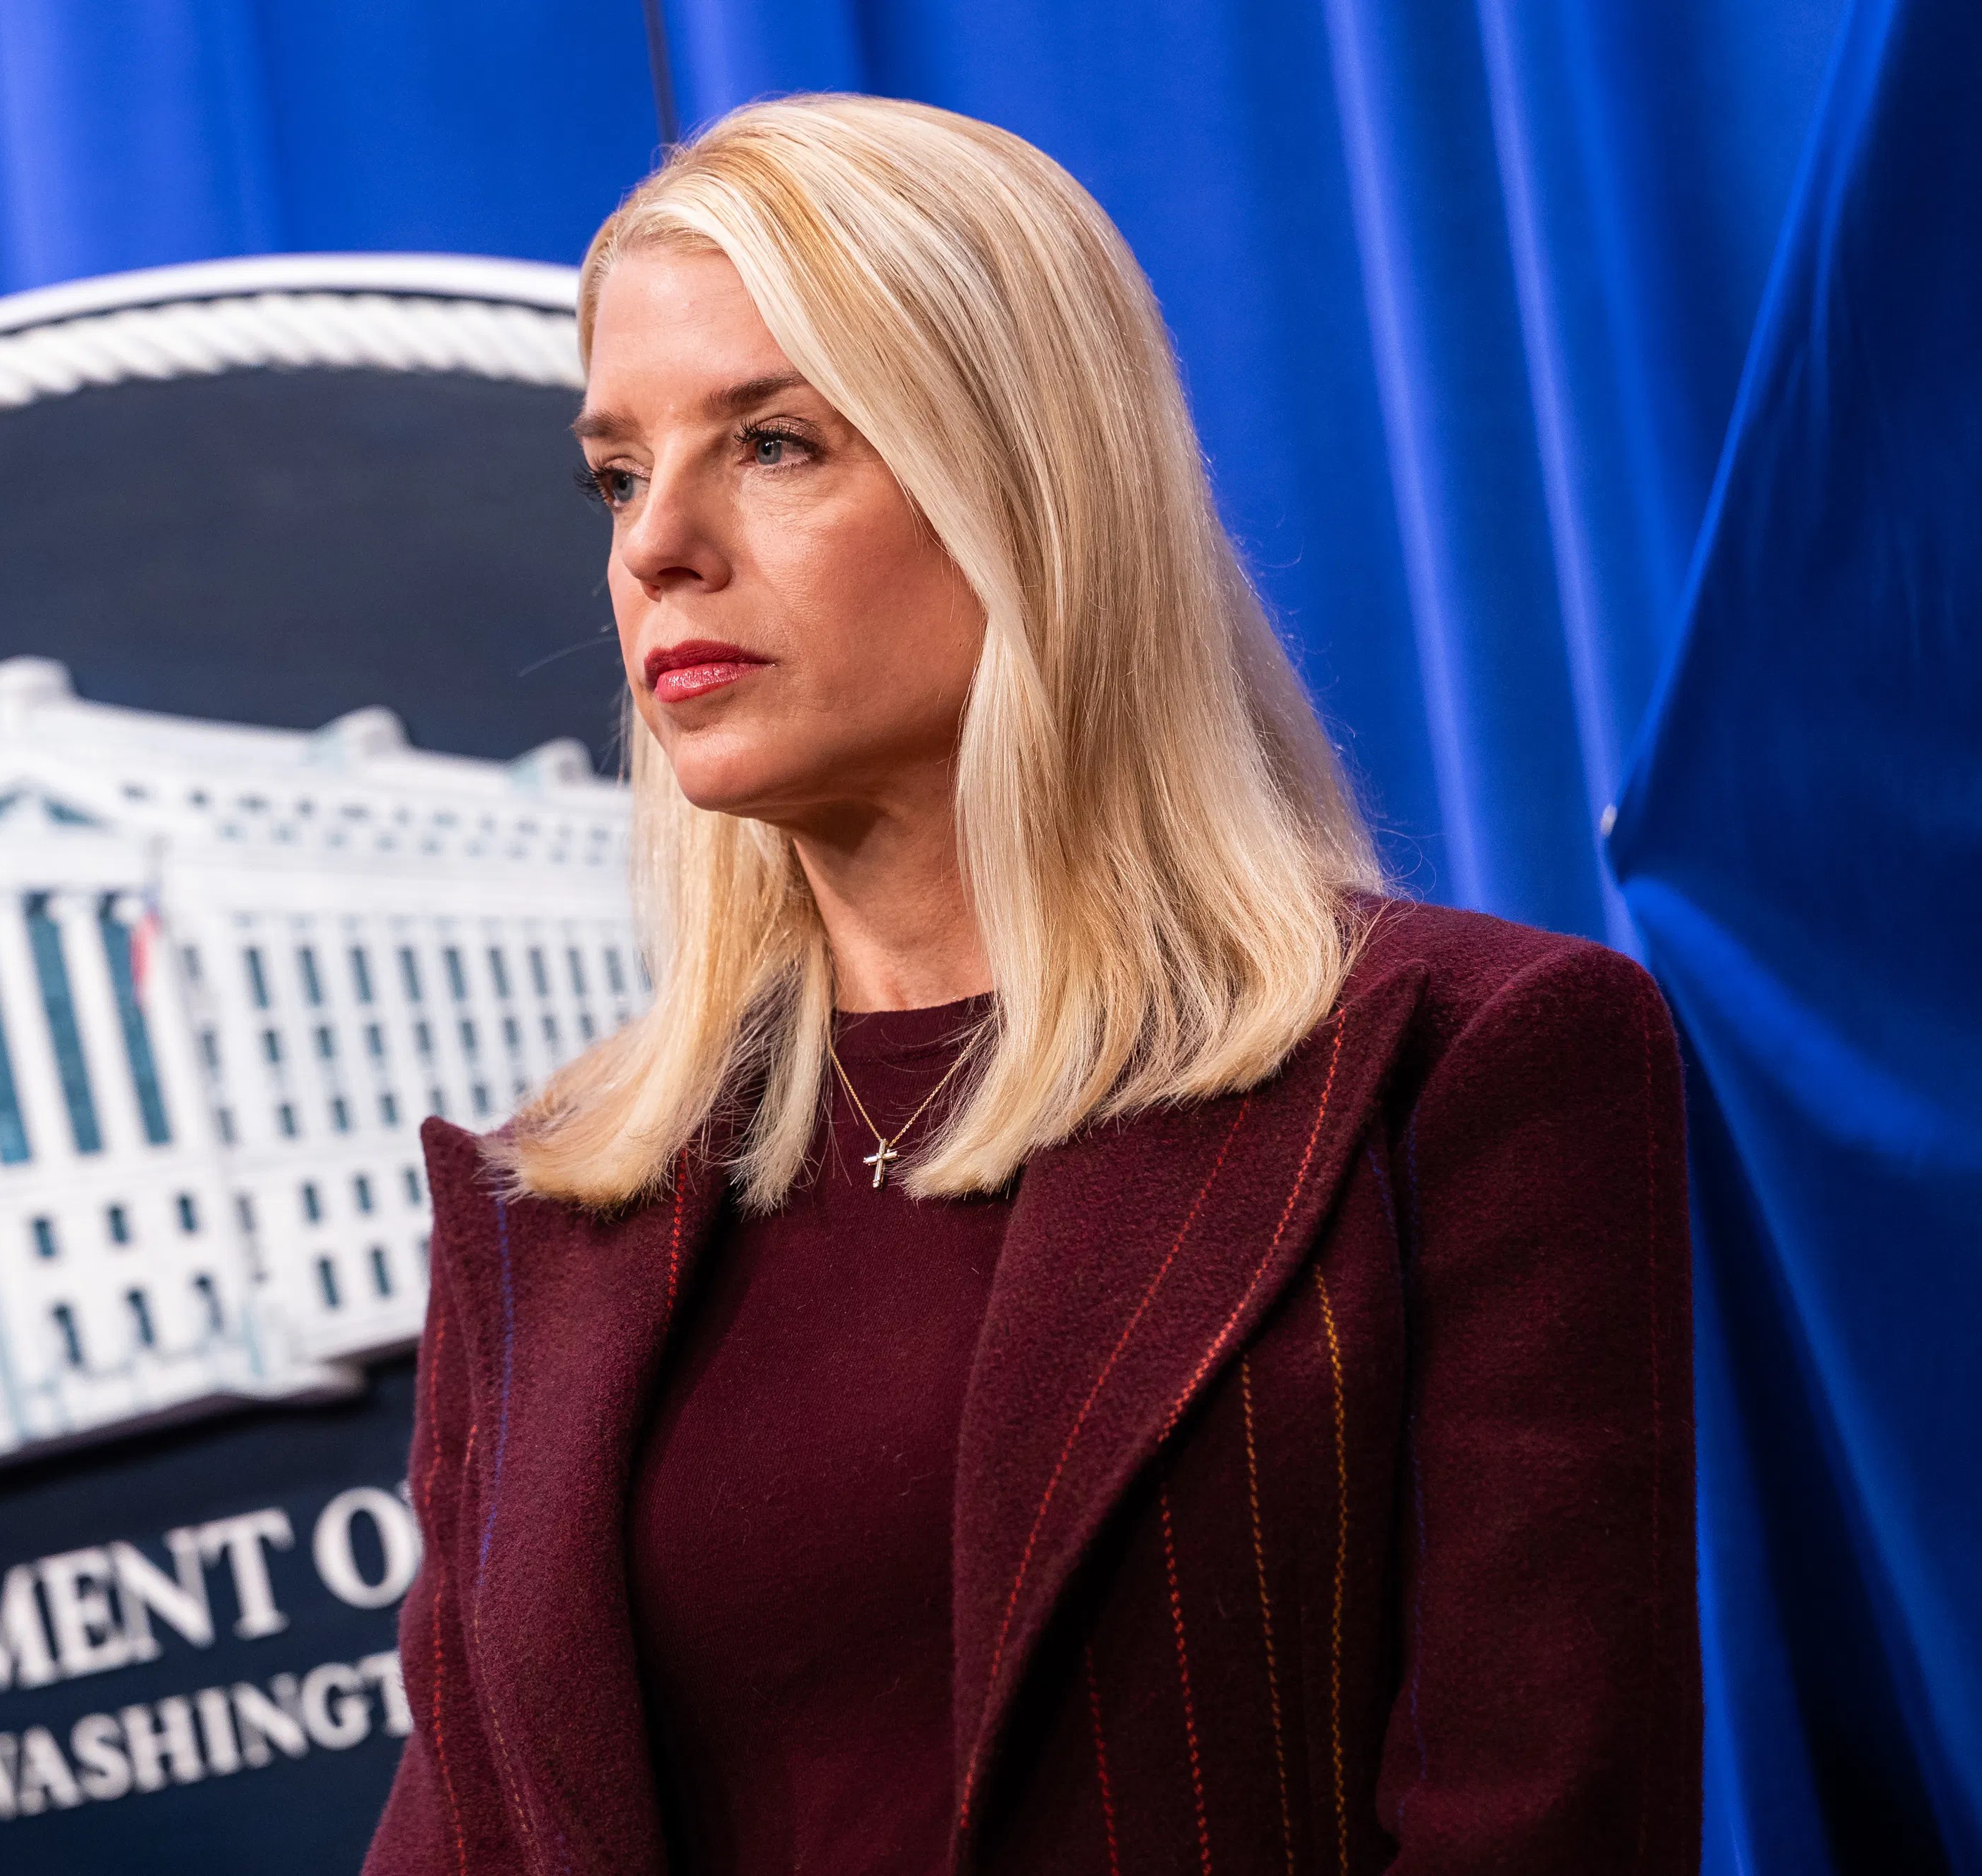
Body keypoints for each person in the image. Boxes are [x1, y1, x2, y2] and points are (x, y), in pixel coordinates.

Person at [364, 94, 1696, 1876]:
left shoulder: (1460, 1067)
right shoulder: (556, 1204)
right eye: (615, 472)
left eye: (772, 442)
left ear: (1026, 487)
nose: (654, 543)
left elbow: (1538, 1821)